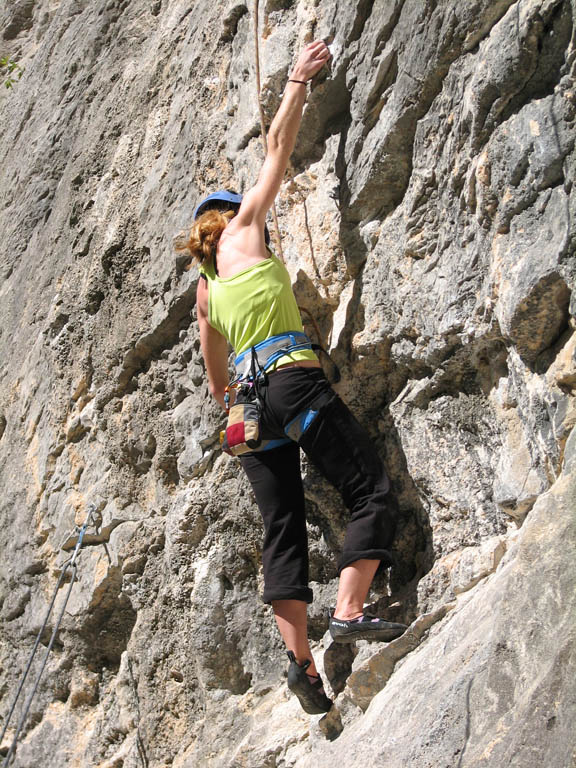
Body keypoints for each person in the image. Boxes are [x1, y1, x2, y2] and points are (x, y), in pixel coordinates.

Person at [187, 40, 406, 715]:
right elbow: (277, 149)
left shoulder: (204, 288)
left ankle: (303, 669)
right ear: (230, 212)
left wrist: (237, 405)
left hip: (246, 417)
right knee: (368, 488)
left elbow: (213, 365)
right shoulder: (245, 230)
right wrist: (298, 81)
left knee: (282, 531)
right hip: (289, 383)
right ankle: (348, 609)